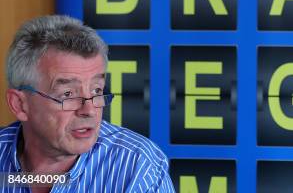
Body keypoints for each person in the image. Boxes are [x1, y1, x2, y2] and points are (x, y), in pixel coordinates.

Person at [0, 15, 175, 192]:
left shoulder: (138, 168)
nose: (89, 110)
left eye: (96, 91)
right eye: (68, 94)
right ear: (20, 104)